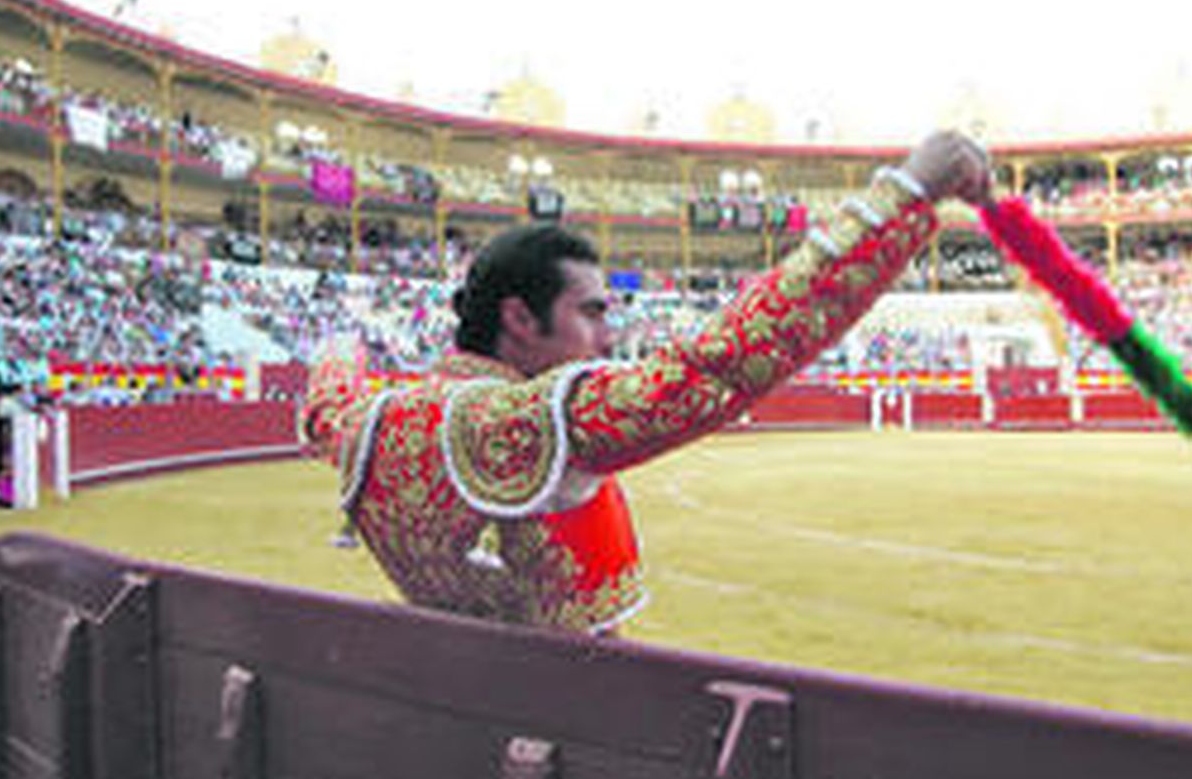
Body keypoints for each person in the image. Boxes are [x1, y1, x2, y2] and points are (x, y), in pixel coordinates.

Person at [304, 132, 991, 634]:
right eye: (591, 313)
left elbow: (326, 397)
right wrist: (906, 192)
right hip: (563, 738)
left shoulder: (369, 418)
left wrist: (339, 344)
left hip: (440, 709)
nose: (608, 338)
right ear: (517, 317)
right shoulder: (522, 423)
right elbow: (717, 364)